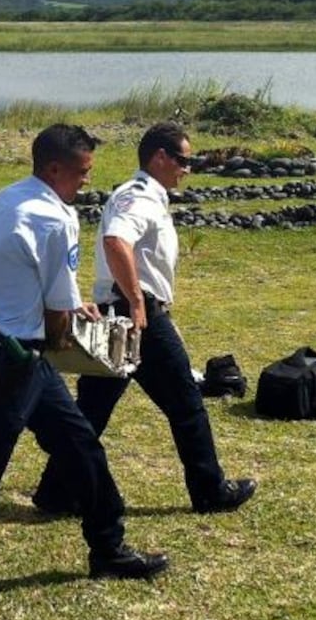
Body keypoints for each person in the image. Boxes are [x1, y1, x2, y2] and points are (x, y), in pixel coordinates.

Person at [0, 124, 168, 609]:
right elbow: (56, 318)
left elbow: (31, 277)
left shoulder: (7, 197)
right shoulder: (54, 219)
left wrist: (63, 302)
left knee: (80, 444)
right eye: (82, 172)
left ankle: (108, 545)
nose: (87, 181)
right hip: (16, 357)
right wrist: (67, 325)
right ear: (55, 168)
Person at [31, 122, 257, 518]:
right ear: (160, 158)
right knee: (186, 403)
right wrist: (137, 302)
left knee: (92, 408)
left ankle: (56, 491)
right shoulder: (138, 197)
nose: (187, 168)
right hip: (138, 314)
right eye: (183, 160)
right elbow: (116, 241)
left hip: (125, 309)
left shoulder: (148, 197)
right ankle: (210, 490)